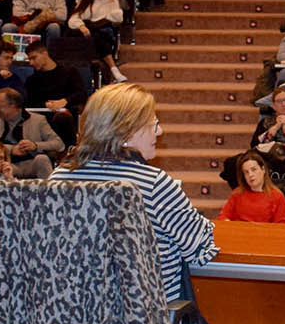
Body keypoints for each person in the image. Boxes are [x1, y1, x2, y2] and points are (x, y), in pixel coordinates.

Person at [48, 83, 216, 301]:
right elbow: (199, 247)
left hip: (75, 321)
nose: (160, 131)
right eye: (153, 124)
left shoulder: (57, 179)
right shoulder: (154, 185)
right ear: (127, 130)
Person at [219, 150, 285, 223]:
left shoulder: (277, 197)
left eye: (254, 170)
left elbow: (282, 227)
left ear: (263, 170)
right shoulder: (237, 193)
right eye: (246, 172)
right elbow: (223, 216)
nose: (250, 175)